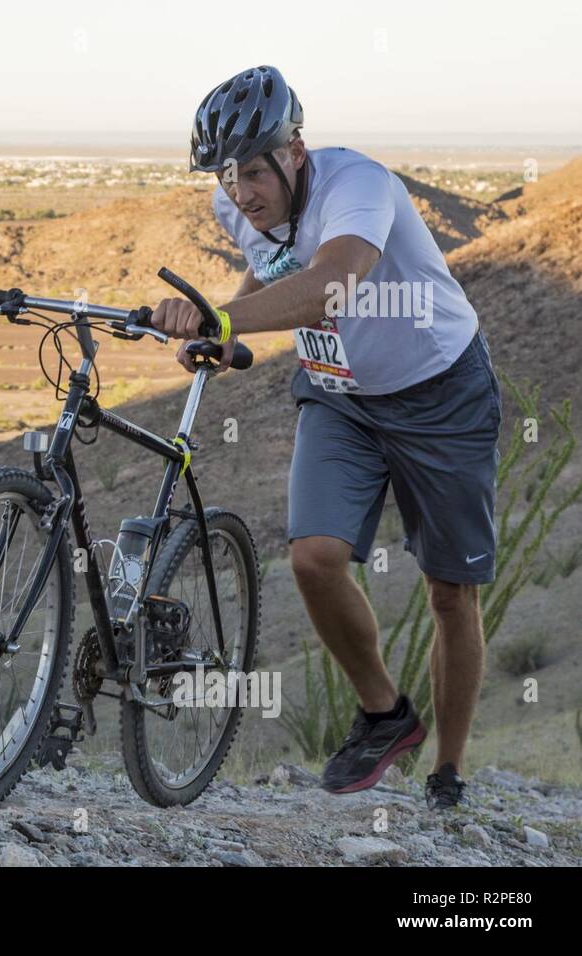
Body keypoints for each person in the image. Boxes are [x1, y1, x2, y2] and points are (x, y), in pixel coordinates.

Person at [149, 65, 502, 809]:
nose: (241, 189)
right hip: (339, 394)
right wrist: (227, 321)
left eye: (252, 169)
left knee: (450, 593)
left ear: (295, 150)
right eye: (226, 173)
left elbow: (333, 280)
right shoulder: (235, 207)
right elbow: (270, 267)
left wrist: (221, 319)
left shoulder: (358, 185)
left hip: (440, 393)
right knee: (313, 558)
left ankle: (448, 768)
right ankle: (384, 715)